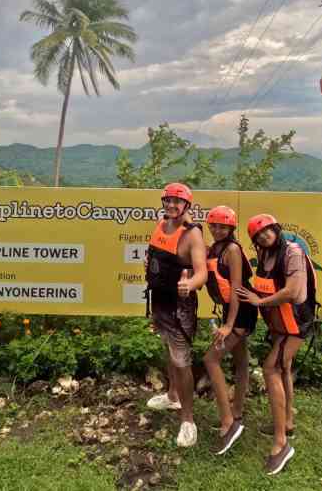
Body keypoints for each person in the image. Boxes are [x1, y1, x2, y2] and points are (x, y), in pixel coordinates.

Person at [237, 213, 317, 476]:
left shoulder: (291, 252)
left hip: (296, 321)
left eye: (267, 230)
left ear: (276, 229)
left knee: (270, 367)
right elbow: (266, 286)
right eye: (258, 234)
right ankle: (288, 421)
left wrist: (259, 302)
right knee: (283, 369)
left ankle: (281, 443)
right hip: (279, 322)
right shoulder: (265, 256)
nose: (264, 235)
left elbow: (293, 291)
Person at [144, 182, 207, 448]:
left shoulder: (192, 234)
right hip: (159, 300)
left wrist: (189, 284)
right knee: (168, 350)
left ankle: (188, 420)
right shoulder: (161, 224)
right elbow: (157, 254)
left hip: (180, 307)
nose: (171, 206)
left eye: (177, 202)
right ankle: (172, 396)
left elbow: (202, 271)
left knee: (182, 361)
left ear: (187, 206)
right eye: (167, 201)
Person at [202, 205, 257, 455]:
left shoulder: (232, 250)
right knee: (241, 361)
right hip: (230, 310)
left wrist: (228, 325)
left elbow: (236, 289)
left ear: (231, 228)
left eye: (222, 226)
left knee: (211, 358)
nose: (216, 229)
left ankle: (229, 422)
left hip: (241, 311)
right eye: (213, 225)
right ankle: (237, 410)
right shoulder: (215, 247)